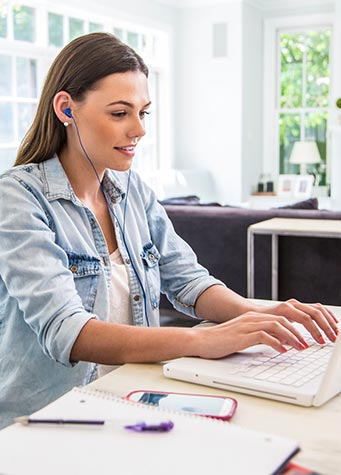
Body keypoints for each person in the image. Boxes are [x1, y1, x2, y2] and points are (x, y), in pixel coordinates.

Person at [0, 33, 338, 430]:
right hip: (46, 421)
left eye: (143, 113)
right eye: (119, 113)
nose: (139, 129)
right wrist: (202, 341)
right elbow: (68, 331)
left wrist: (261, 313)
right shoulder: (18, 198)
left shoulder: (133, 192)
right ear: (66, 109)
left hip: (132, 403)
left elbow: (189, 282)